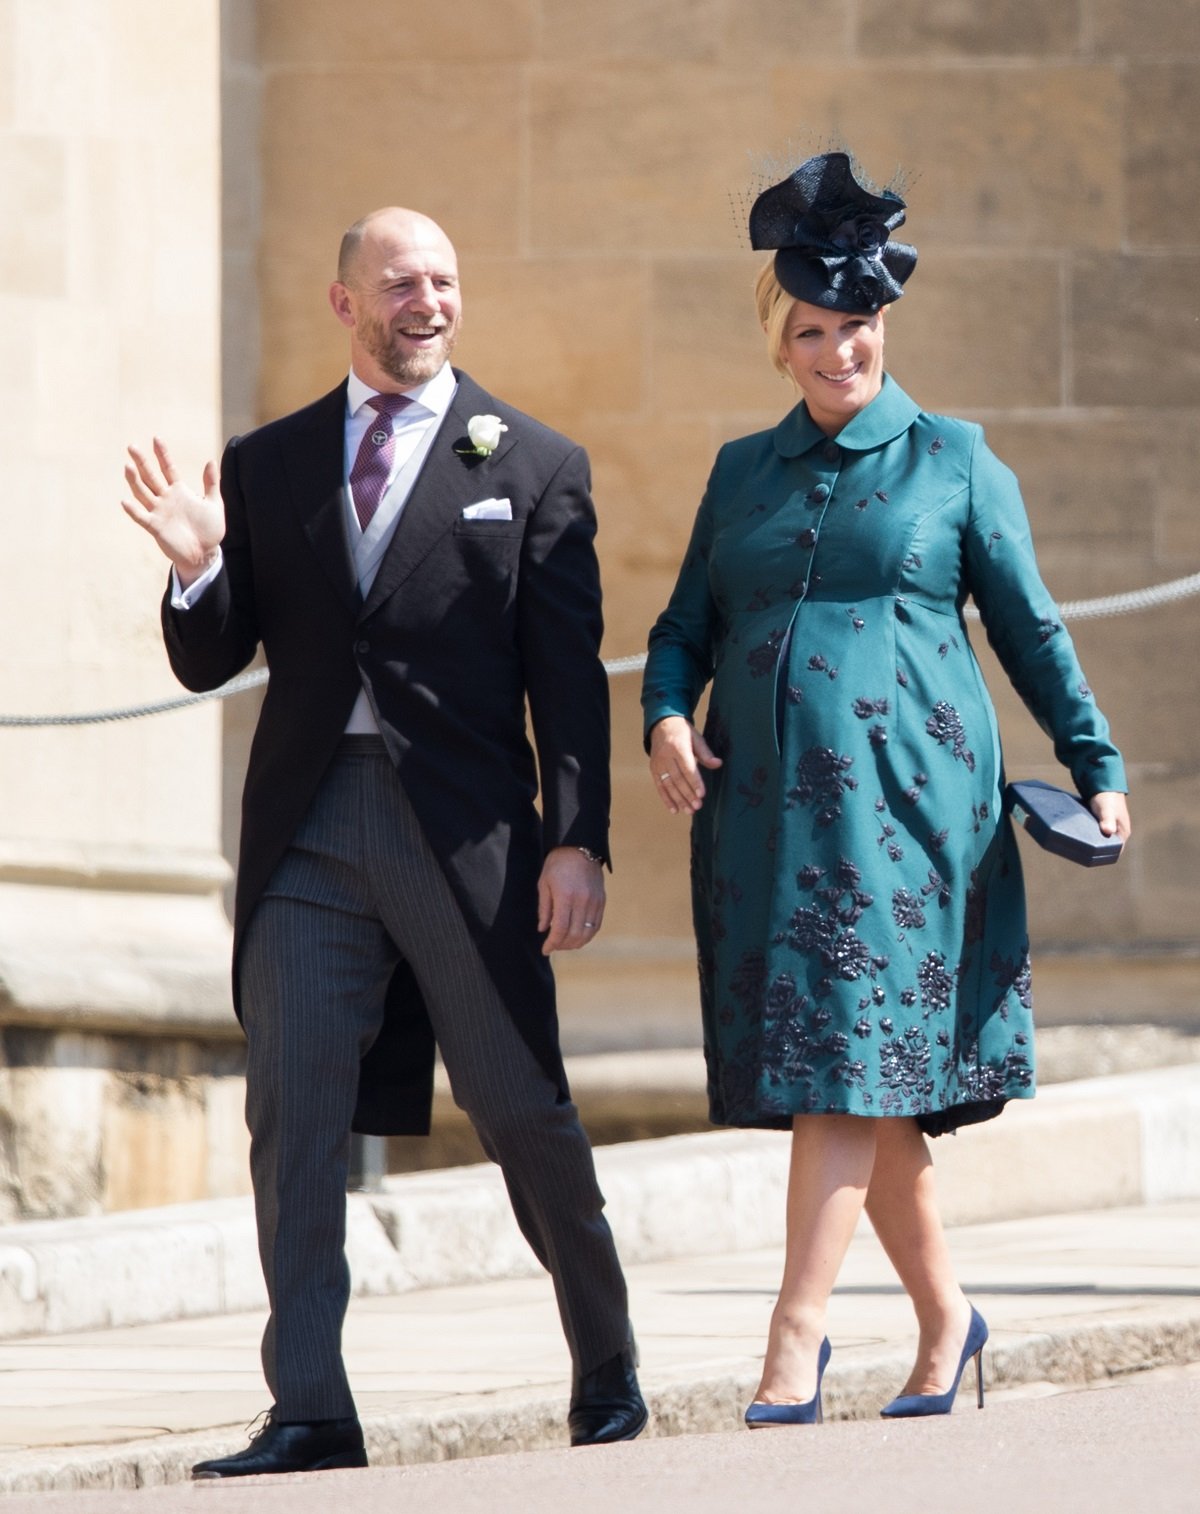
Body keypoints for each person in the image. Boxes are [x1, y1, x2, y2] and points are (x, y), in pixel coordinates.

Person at [122, 207, 647, 1476]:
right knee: (291, 1110)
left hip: (462, 834)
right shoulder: (270, 460)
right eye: (401, 281)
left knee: (521, 1106)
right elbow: (214, 656)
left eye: (446, 280)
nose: (429, 300)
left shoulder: (533, 461)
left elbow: (567, 683)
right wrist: (197, 569)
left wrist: (577, 840)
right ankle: (310, 1404)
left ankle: (607, 1367)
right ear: (344, 301)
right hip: (308, 827)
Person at [641, 152, 1131, 1427]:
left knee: (843, 1063)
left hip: (908, 813)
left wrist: (1099, 765)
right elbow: (682, 627)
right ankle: (946, 1321)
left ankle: (791, 1339)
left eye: (855, 325)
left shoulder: (957, 458)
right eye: (811, 329)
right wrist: (663, 719)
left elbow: (1032, 631)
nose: (836, 349)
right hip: (764, 817)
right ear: (779, 338)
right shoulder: (738, 471)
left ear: (882, 327)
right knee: (860, 1071)